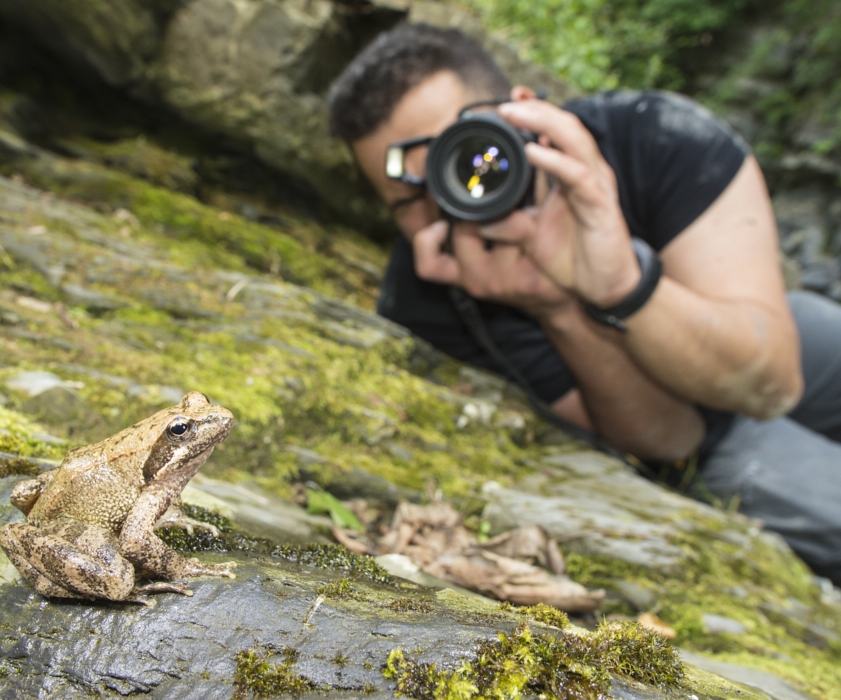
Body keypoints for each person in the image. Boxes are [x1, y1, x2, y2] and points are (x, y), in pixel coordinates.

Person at [327, 23, 841, 583]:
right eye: (410, 198)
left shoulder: (657, 135)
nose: (455, 197)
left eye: (470, 154)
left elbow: (774, 380)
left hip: (748, 342)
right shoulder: (429, 297)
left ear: (521, 109)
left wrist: (622, 280)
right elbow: (671, 440)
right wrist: (556, 305)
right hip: (702, 435)